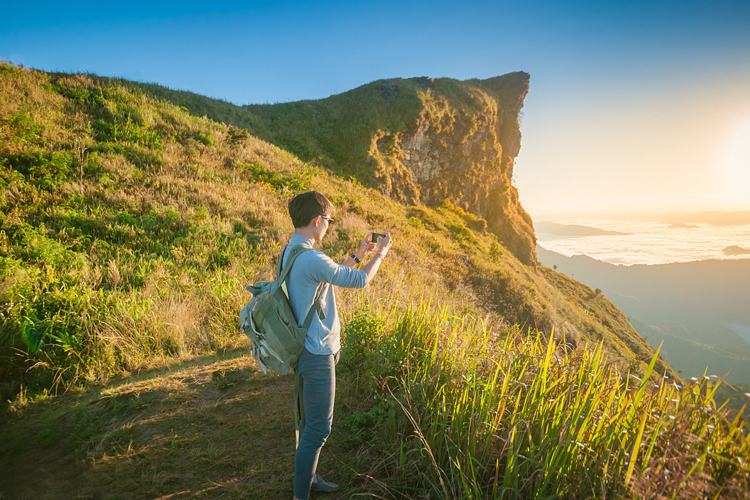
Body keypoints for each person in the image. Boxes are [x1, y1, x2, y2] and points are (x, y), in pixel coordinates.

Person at [284, 190, 392, 500]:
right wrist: (380, 254)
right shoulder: (312, 257)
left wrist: (358, 254)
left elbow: (329, 279)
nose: (328, 226)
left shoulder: (293, 251)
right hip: (317, 352)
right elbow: (358, 282)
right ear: (317, 220)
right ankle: (301, 495)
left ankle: (310, 477)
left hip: (304, 347)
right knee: (319, 429)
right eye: (329, 221)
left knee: (308, 424)